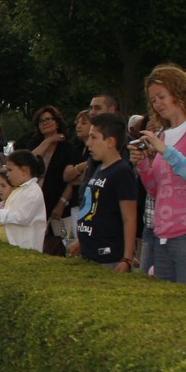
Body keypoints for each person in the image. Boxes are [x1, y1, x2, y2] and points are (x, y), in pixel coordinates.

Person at [134, 65, 186, 289]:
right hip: (162, 237)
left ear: (179, 92)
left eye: (161, 96)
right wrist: (142, 164)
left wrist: (167, 152)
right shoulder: (162, 135)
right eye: (153, 100)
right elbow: (155, 189)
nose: (157, 104)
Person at [73, 113, 140, 270]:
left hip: (109, 257)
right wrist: (81, 241)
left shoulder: (121, 171)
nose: (88, 143)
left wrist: (127, 259)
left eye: (94, 137)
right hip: (90, 253)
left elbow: (129, 218)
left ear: (110, 142)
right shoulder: (100, 169)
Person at [31, 106, 83, 256]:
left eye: (49, 119)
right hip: (37, 202)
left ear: (57, 122)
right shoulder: (34, 144)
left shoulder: (68, 148)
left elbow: (71, 180)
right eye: (41, 121)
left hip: (60, 204)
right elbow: (29, 161)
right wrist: (49, 141)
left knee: (63, 238)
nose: (45, 123)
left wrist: (61, 203)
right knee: (39, 240)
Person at [0, 150, 47, 251]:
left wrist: (0, 215)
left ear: (24, 170)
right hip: (13, 247)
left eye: (10, 170)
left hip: (26, 248)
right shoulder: (19, 189)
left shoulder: (33, 191)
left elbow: (23, 217)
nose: (7, 174)